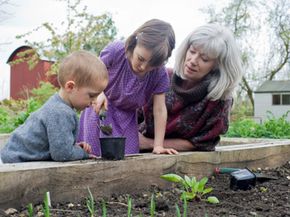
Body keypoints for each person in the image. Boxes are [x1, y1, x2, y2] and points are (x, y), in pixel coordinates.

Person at [78, 19, 178, 155]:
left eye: (151, 65)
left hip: (127, 120)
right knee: (93, 155)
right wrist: (99, 93)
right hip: (100, 110)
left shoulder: (159, 74)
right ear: (134, 42)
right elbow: (92, 74)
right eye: (141, 59)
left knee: (128, 156)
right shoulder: (116, 51)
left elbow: (160, 109)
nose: (143, 67)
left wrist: (158, 145)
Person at [139, 23, 243, 152]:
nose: (193, 60)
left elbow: (201, 143)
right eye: (192, 51)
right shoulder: (161, 77)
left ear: (217, 66)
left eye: (204, 59)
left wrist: (149, 143)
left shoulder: (219, 100)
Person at [0, 51, 108, 163]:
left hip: (15, 156)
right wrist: (83, 153)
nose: (94, 101)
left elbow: (55, 144)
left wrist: (73, 146)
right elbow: (63, 155)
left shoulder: (57, 104)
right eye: (91, 95)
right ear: (70, 87)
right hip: (16, 162)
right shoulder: (61, 112)